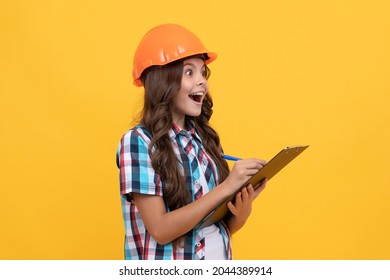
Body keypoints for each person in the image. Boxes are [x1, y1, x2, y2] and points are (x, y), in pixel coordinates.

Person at [116, 23, 267, 260]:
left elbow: (221, 227)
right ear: (161, 80)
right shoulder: (138, 143)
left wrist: (242, 208)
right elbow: (160, 230)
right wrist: (226, 188)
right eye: (189, 72)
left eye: (202, 72)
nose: (202, 81)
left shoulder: (206, 140)